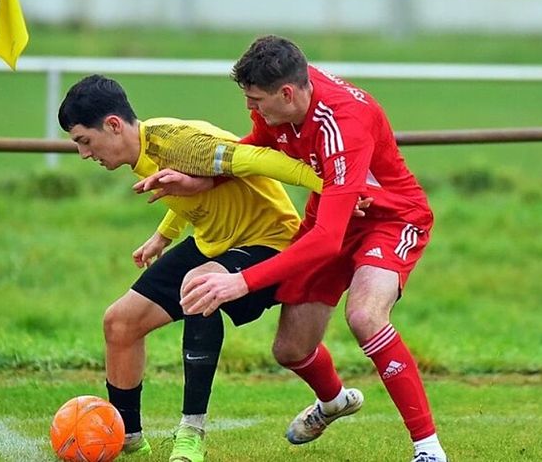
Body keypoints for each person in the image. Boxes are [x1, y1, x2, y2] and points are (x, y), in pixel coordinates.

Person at [145, 35, 448, 462]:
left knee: (364, 316)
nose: (252, 109)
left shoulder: (344, 122)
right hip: (334, 215)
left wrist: (240, 282)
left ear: (287, 93)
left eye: (256, 100)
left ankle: (429, 449)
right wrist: (205, 181)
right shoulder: (280, 106)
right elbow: (256, 149)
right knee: (290, 350)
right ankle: (334, 403)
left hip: (391, 219)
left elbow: (324, 241)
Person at [58, 73, 327, 462]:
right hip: (216, 242)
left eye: (84, 141)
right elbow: (194, 193)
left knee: (199, 286)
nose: (84, 154)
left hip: (270, 242)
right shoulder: (144, 152)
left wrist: (330, 186)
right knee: (120, 322)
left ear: (113, 126)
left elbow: (257, 158)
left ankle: (192, 433)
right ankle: (127, 437)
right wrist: (163, 236)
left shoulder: (179, 142)